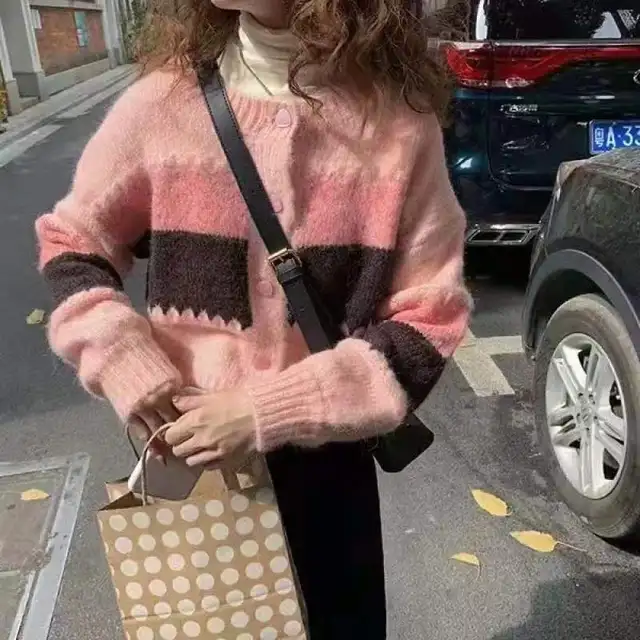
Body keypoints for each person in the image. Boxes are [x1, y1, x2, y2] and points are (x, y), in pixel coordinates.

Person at [35, 0, 471, 636]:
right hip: (193, 465)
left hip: (329, 469)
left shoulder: (398, 125)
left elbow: (431, 317)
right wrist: (123, 356)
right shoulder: (164, 104)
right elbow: (73, 242)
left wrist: (266, 409)